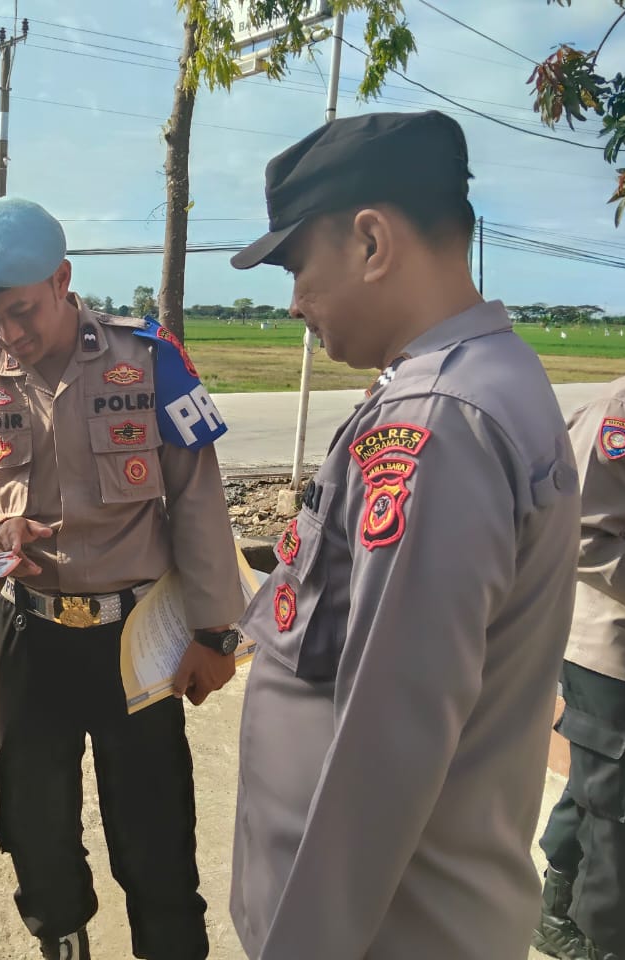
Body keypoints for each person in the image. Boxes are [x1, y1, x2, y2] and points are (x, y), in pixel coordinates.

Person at [227, 110, 580, 960]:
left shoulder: (436, 419)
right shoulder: (483, 376)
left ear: (372, 241)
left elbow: (388, 740)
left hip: (384, 928)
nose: (295, 302)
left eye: (298, 266)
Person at [0, 197, 245, 960]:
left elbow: (197, 500)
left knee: (155, 827)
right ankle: (62, 943)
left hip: (136, 638)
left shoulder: (149, 359)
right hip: (28, 630)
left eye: (22, 311)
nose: (9, 334)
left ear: (62, 280)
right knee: (31, 820)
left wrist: (215, 633)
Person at [534, 372, 625, 960]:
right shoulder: (620, 413)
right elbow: (581, 537)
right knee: (618, 812)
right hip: (611, 649)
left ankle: (556, 909)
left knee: (600, 788)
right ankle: (606, 941)